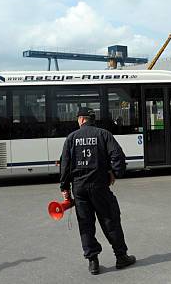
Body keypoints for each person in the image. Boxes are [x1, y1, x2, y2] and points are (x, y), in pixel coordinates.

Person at [59, 107, 136, 275]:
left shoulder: (71, 138)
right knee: (110, 220)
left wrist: (64, 188)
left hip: (79, 188)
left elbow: (64, 165)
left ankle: (93, 261)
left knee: (86, 225)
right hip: (99, 186)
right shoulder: (103, 134)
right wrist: (115, 173)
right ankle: (121, 257)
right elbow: (118, 156)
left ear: (80, 119)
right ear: (91, 119)